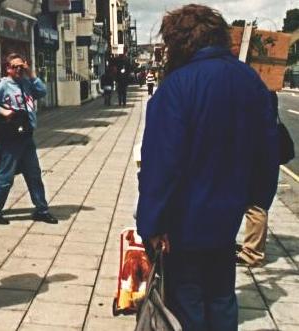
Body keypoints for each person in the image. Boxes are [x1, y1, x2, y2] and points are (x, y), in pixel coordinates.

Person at [136, 4, 279, 331]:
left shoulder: (177, 86)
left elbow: (161, 164)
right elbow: (268, 150)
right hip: (227, 216)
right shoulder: (251, 81)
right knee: (221, 295)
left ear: (179, 42)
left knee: (187, 302)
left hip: (183, 222)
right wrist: (257, 198)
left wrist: (152, 225)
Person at [0, 53, 57, 225]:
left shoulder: (27, 83)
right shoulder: (3, 85)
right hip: (12, 137)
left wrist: (31, 73)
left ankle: (41, 210)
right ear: (7, 68)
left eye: (21, 66)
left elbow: (42, 91)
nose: (18, 70)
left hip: (27, 135)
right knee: (6, 176)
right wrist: (3, 111)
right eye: (14, 67)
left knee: (34, 174)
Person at [236, 91, 279, 267]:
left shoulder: (260, 99)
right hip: (266, 157)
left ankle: (253, 254)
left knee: (256, 205)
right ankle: (252, 248)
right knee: (256, 203)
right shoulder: (268, 96)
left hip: (261, 160)